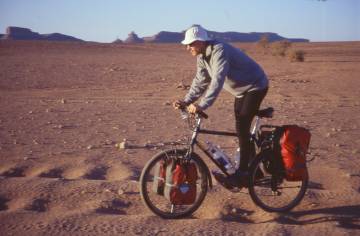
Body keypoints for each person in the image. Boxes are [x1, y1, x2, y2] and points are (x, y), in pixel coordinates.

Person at [173, 25, 269, 189]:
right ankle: (256, 172)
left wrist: (202, 105)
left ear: (201, 42)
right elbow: (200, 81)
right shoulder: (202, 56)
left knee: (242, 127)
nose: (187, 48)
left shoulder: (219, 50)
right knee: (242, 129)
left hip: (255, 86)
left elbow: (217, 80)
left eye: (190, 44)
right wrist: (186, 101)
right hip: (241, 92)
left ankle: (243, 174)